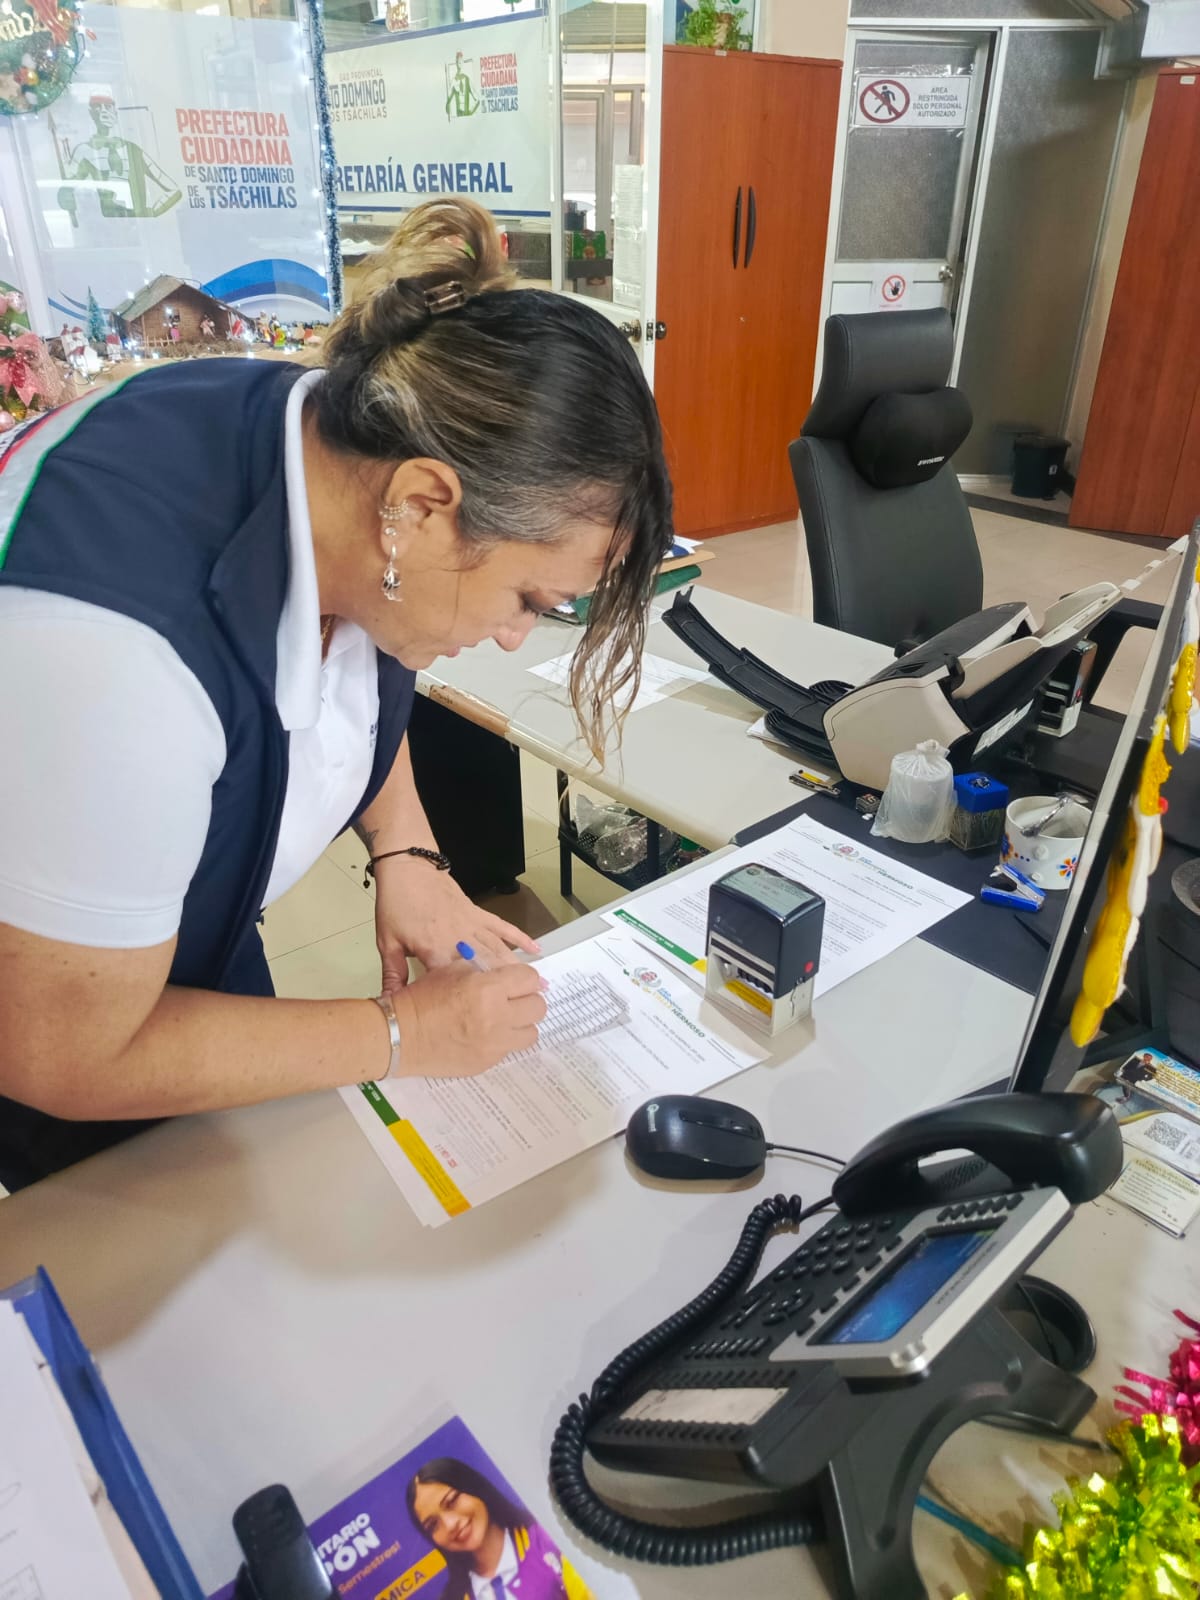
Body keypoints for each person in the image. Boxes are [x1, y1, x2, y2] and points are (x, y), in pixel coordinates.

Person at [0, 198, 672, 1189]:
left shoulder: (347, 455)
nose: (513, 635)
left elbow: (360, 659)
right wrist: (402, 1034)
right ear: (423, 506)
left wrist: (406, 849)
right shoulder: (113, 666)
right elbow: (60, 1053)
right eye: (529, 599)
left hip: (194, 931)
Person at [407, 1458, 592, 1600]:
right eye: (433, 1525)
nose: (450, 1524)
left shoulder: (547, 1541)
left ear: (474, 1488)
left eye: (452, 1500)